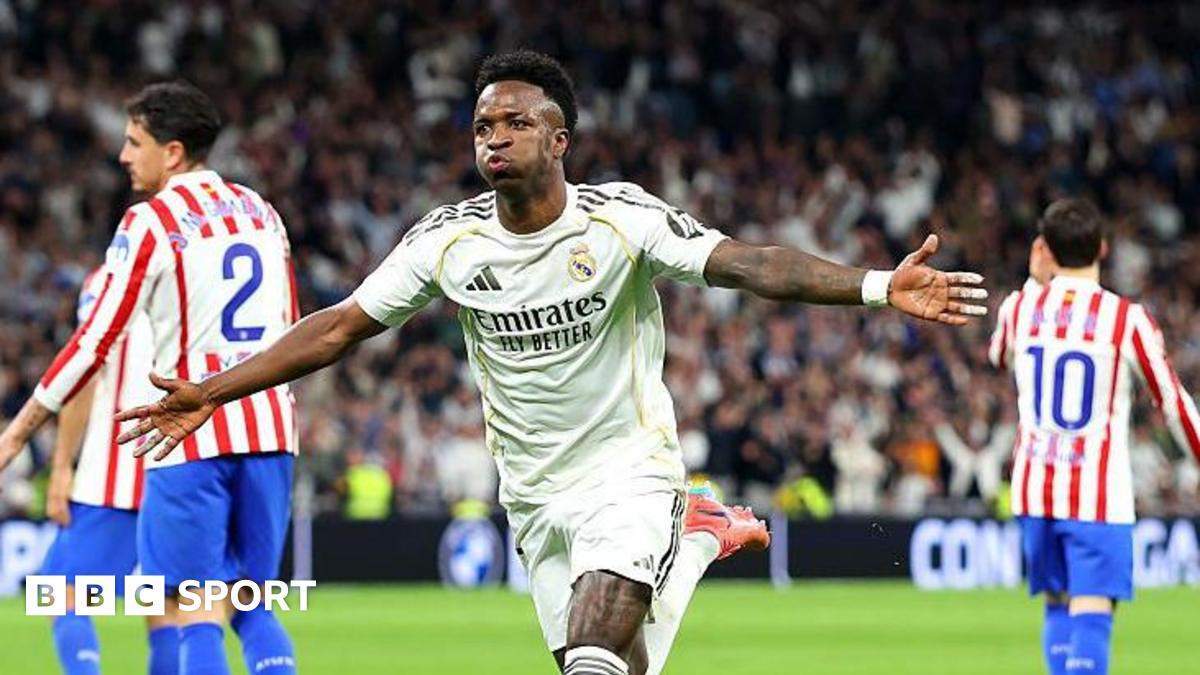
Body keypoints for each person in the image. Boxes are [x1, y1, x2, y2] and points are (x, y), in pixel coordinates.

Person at [115, 51, 987, 675]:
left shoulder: (619, 221)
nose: (494, 137)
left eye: (516, 122)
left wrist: (878, 285)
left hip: (628, 471)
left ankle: (678, 525)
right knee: (612, 665)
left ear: (560, 138)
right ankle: (692, 542)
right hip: (533, 493)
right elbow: (342, 325)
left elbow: (747, 263)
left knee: (595, 655)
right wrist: (212, 391)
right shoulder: (448, 241)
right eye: (482, 126)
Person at [0, 81, 301, 675]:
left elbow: (92, 344)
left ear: (173, 152)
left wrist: (17, 432)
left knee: (192, 610)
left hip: (186, 436)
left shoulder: (150, 221)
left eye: (134, 142)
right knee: (251, 606)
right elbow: (292, 328)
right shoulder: (262, 212)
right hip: (271, 433)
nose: (123, 155)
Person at [989, 199, 1200, 674]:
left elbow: (998, 356)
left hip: (1035, 488)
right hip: (1096, 493)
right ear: (1103, 247)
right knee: (1092, 608)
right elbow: (1172, 401)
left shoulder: (1019, 307)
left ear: (1044, 249)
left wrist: (1033, 282)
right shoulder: (1125, 319)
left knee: (1058, 602)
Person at [30, 267, 177, 675]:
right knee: (166, 606)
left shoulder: (110, 279)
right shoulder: (198, 271)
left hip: (119, 472)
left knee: (59, 592)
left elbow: (85, 371)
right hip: (186, 471)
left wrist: (62, 466)